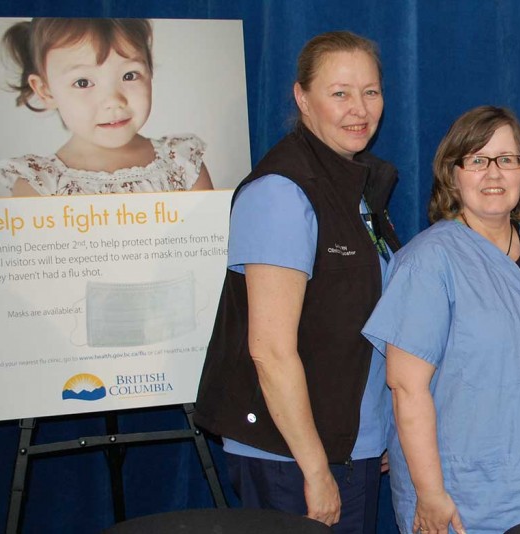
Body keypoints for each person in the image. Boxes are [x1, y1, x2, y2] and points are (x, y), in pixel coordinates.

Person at [194, 31, 400, 533]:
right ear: (302, 98)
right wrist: (315, 469)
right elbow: (269, 350)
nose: (359, 109)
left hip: (350, 444)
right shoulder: (281, 193)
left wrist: (380, 431)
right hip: (292, 456)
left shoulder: (358, 185)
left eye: (370, 91)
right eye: (340, 93)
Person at [362, 106, 520, 534]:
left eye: (507, 159)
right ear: (453, 174)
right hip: (461, 500)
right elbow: (406, 387)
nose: (494, 174)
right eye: (477, 160)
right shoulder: (428, 262)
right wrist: (430, 494)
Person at [0, 18, 213, 196]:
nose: (113, 100)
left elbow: (210, 242)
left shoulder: (182, 164)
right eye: (82, 82)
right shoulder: (38, 186)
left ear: (149, 72)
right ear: (45, 91)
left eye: (129, 75)